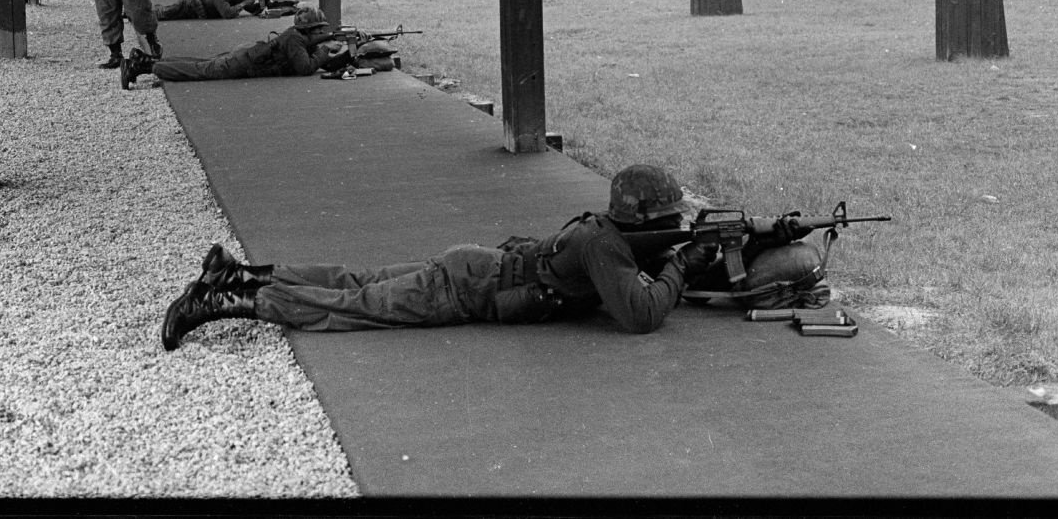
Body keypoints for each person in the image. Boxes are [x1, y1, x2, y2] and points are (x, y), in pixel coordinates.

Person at [158, 164, 727, 351]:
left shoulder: (606, 233)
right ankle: (226, 298)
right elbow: (641, 315)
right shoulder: (606, 245)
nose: (676, 225)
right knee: (354, 306)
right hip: (464, 288)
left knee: (356, 279)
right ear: (647, 219)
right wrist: (684, 264)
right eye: (670, 220)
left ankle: (240, 271)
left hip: (473, 266)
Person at [119, 5, 341, 89]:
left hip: (247, 55)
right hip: (245, 63)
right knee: (202, 71)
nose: (321, 33)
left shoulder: (296, 36)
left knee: (201, 64)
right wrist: (323, 51)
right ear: (310, 28)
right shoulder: (295, 40)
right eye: (319, 30)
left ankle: (145, 60)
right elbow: (305, 68)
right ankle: (143, 66)